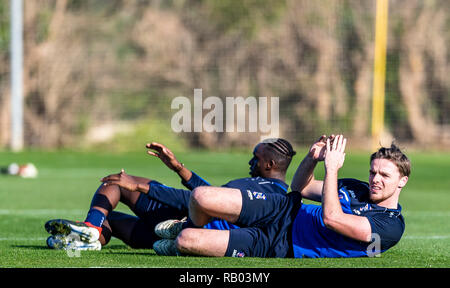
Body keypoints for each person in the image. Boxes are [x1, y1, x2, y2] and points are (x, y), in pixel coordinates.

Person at [140, 134, 409, 258]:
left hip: (281, 245)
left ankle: (180, 236)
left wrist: (332, 168)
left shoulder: (391, 227)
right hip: (282, 209)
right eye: (373, 172)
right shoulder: (357, 187)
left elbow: (332, 219)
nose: (375, 179)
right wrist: (313, 159)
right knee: (200, 196)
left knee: (188, 241)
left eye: (384, 176)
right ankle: (184, 224)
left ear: (402, 182)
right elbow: (301, 188)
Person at [44, 138, 296, 252]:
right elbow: (211, 196)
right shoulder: (267, 190)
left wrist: (142, 187)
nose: (251, 161)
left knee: (119, 184)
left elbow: (197, 201)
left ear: (270, 165)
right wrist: (178, 167)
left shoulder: (265, 194)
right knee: (112, 222)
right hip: (171, 229)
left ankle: (91, 228)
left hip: (182, 225)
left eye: (257, 157)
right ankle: (91, 238)